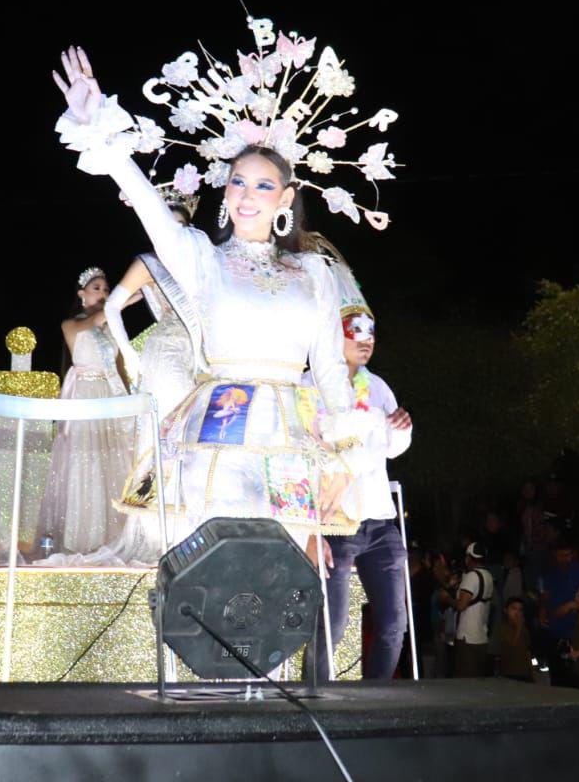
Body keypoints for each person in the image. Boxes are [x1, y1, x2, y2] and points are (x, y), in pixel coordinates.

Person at [51, 38, 395, 561]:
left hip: (290, 445)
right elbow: (146, 203)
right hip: (218, 433)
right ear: (225, 193)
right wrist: (98, 121)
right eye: (238, 182)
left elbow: (328, 370)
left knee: (277, 585)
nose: (246, 194)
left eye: (262, 185)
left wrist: (343, 461)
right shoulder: (200, 259)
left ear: (284, 199)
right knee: (214, 574)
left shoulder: (312, 272)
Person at [307, 263, 415, 681]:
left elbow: (391, 446)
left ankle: (376, 704)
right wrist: (310, 531)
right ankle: (314, 706)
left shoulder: (379, 387)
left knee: (393, 626)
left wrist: (401, 430)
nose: (365, 341)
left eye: (370, 333)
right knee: (331, 628)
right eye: (355, 332)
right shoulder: (308, 386)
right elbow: (312, 452)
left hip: (381, 519)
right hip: (335, 520)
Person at [101, 190, 205, 565]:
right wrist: (129, 354)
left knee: (193, 440)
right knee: (166, 437)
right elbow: (113, 306)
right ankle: (161, 532)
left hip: (198, 359)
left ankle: (191, 527)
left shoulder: (196, 258)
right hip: (164, 355)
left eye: (179, 226)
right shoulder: (148, 263)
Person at [36, 267, 138, 556]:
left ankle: (112, 536)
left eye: (107, 289)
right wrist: (124, 300)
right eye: (97, 288)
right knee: (84, 460)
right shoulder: (72, 324)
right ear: (81, 294)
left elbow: (118, 366)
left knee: (110, 462)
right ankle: (82, 537)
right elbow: (96, 319)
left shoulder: (109, 327)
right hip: (84, 394)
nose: (103, 294)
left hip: (107, 394)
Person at [538, 537, 579, 668]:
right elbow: (545, 595)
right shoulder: (550, 572)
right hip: (554, 624)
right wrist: (542, 610)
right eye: (560, 555)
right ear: (555, 555)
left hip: (575, 625)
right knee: (556, 667)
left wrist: (573, 605)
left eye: (567, 555)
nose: (564, 558)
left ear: (572, 555)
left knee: (573, 669)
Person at [448, 543, 495, 678]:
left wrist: (447, 599)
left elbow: (461, 606)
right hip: (481, 636)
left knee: (464, 680)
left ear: (468, 558)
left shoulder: (471, 577)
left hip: (467, 637)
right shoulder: (488, 576)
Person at [494, 595, 535, 683]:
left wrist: (532, 673)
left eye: (520, 610)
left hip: (525, 673)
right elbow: (512, 645)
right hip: (509, 673)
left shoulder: (524, 629)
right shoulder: (502, 627)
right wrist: (519, 627)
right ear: (505, 610)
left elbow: (527, 651)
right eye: (513, 609)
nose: (517, 613)